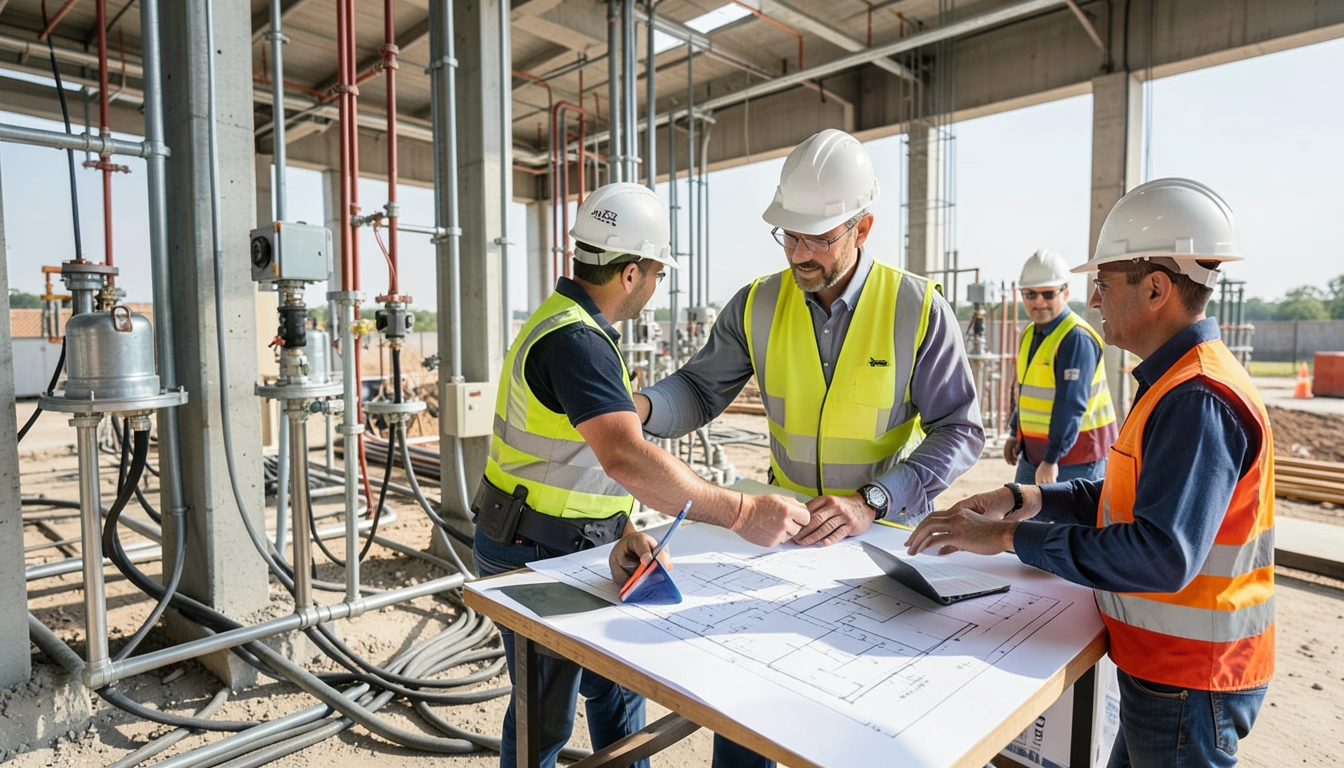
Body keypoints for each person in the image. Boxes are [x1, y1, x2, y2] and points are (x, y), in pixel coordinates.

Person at [625, 128, 985, 768]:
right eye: (789, 234)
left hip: (877, 549)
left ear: (863, 225)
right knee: (747, 720)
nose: (799, 252)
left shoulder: (915, 307)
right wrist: (640, 411)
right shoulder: (757, 304)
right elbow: (699, 390)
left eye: (818, 236)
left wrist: (874, 499)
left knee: (858, 729)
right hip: (779, 541)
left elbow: (959, 428)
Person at [907, 178, 1274, 768]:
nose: (1095, 299)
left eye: (1102, 284)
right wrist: (1025, 498)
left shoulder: (1197, 397)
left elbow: (1159, 554)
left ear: (1156, 288)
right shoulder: (1176, 383)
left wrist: (1004, 538)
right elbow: (1128, 499)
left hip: (1190, 680)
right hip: (1169, 670)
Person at [471, 182, 811, 768]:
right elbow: (625, 457)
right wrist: (742, 512)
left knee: (619, 697)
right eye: (657, 272)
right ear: (630, 273)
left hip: (573, 540)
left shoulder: (569, 324)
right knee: (543, 723)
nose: (656, 286)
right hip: (536, 550)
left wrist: (622, 525)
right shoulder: (576, 342)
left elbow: (578, 458)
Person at [1005, 249, 1118, 484]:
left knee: (1061, 521)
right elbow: (1025, 392)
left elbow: (1070, 405)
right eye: (1030, 294)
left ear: (1065, 293)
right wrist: (1015, 434)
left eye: (1048, 293)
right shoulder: (1029, 333)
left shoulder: (1075, 338)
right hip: (1035, 456)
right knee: (1020, 518)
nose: (1039, 302)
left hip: (1074, 460)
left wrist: (1051, 460)